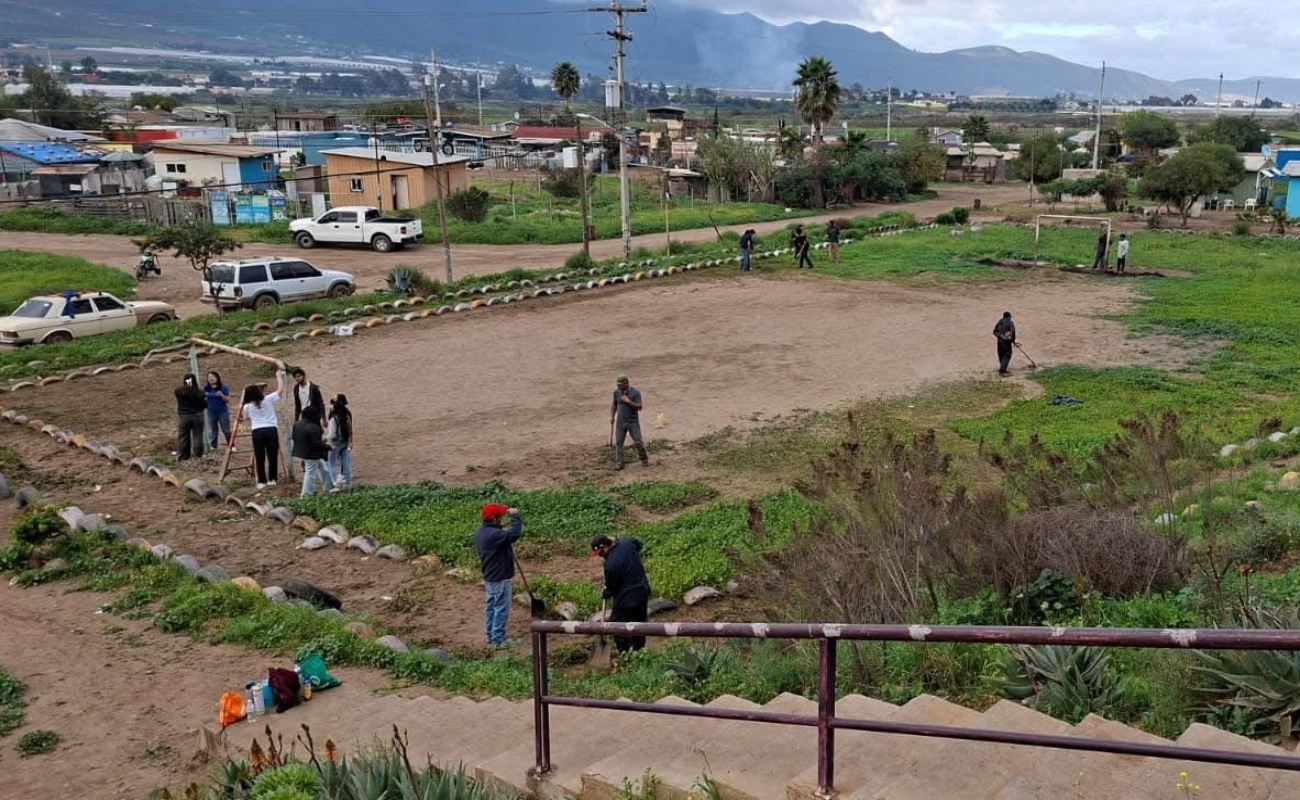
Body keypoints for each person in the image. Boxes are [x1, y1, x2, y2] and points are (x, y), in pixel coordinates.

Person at [590, 535, 651, 654]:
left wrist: (606, 593)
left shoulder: (610, 564)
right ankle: (640, 652)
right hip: (642, 592)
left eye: (600, 553)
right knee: (639, 624)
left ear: (605, 547)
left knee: (617, 627)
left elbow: (611, 589)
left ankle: (625, 654)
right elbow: (639, 544)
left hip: (626, 599)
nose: (600, 557)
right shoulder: (628, 542)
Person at [474, 504, 522, 648]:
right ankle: (498, 639)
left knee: (491, 606)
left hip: (490, 575)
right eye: (500, 517)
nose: (501, 519)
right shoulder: (494, 535)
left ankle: (490, 635)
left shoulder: (481, 531)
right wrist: (515, 517)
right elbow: (514, 534)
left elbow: (505, 536)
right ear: (494, 519)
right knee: (501, 607)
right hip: (500, 576)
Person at [242, 373, 286, 490]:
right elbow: (280, 390)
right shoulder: (268, 399)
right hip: (271, 429)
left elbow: (244, 418)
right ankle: (272, 479)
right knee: (272, 455)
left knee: (259, 456)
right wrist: (278, 376)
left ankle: (261, 481)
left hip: (257, 431)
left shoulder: (247, 406)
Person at [293, 406, 335, 497]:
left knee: (324, 469)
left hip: (302, 451)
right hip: (311, 454)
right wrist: (329, 447)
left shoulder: (297, 424)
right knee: (310, 473)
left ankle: (329, 487)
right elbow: (317, 444)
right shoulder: (313, 427)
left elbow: (294, 437)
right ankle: (306, 495)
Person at [611, 375, 649, 470]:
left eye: (620, 385)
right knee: (619, 443)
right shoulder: (616, 393)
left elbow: (639, 407)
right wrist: (612, 416)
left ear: (626, 383)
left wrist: (629, 401)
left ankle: (644, 459)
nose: (618, 387)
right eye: (617, 385)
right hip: (620, 422)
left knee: (638, 441)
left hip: (632, 422)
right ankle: (620, 462)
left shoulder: (635, 393)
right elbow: (614, 404)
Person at [174, 374, 206, 460]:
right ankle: (197, 456)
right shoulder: (200, 392)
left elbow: (184, 392)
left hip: (184, 416)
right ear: (195, 380)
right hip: (198, 416)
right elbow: (205, 405)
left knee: (183, 436)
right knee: (198, 436)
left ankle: (183, 455)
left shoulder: (178, 391)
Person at [327, 394, 353, 489]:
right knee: (345, 461)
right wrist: (350, 442)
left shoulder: (334, 419)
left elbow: (332, 434)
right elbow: (350, 429)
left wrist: (326, 440)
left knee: (331, 463)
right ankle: (348, 482)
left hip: (335, 443)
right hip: (345, 442)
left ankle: (335, 483)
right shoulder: (347, 415)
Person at [202, 371, 232, 452]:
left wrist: (221, 395)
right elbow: (203, 398)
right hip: (211, 412)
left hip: (223, 411)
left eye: (212, 376)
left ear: (217, 378)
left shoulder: (223, 387)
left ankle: (231, 445)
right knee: (213, 429)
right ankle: (213, 446)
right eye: (209, 377)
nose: (211, 378)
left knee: (226, 429)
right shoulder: (205, 388)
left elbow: (227, 400)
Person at [994, 311, 1017, 376]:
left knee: (1001, 354)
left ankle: (1002, 367)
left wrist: (1000, 336)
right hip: (1006, 342)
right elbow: (1013, 332)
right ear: (1009, 317)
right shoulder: (1010, 322)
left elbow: (994, 332)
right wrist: (1013, 341)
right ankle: (1002, 370)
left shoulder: (1000, 321)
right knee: (1007, 355)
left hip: (999, 341)